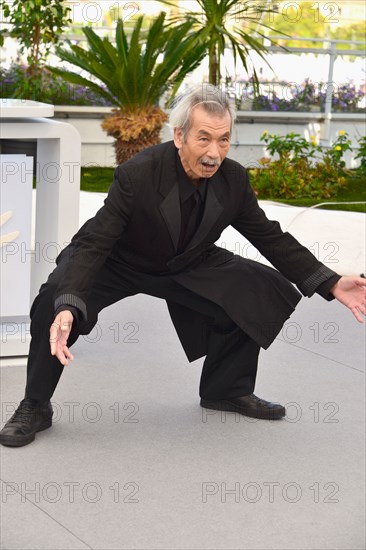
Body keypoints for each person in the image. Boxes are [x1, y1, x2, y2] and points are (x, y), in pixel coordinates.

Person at [1, 84, 365, 447]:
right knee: (55, 300)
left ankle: (226, 389)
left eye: (223, 140)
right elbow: (95, 242)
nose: (214, 152)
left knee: (257, 287)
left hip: (188, 260)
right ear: (179, 135)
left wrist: (330, 282)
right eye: (203, 139)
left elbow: (269, 236)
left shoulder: (233, 180)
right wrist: (69, 303)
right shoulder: (138, 174)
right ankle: (36, 404)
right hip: (119, 260)